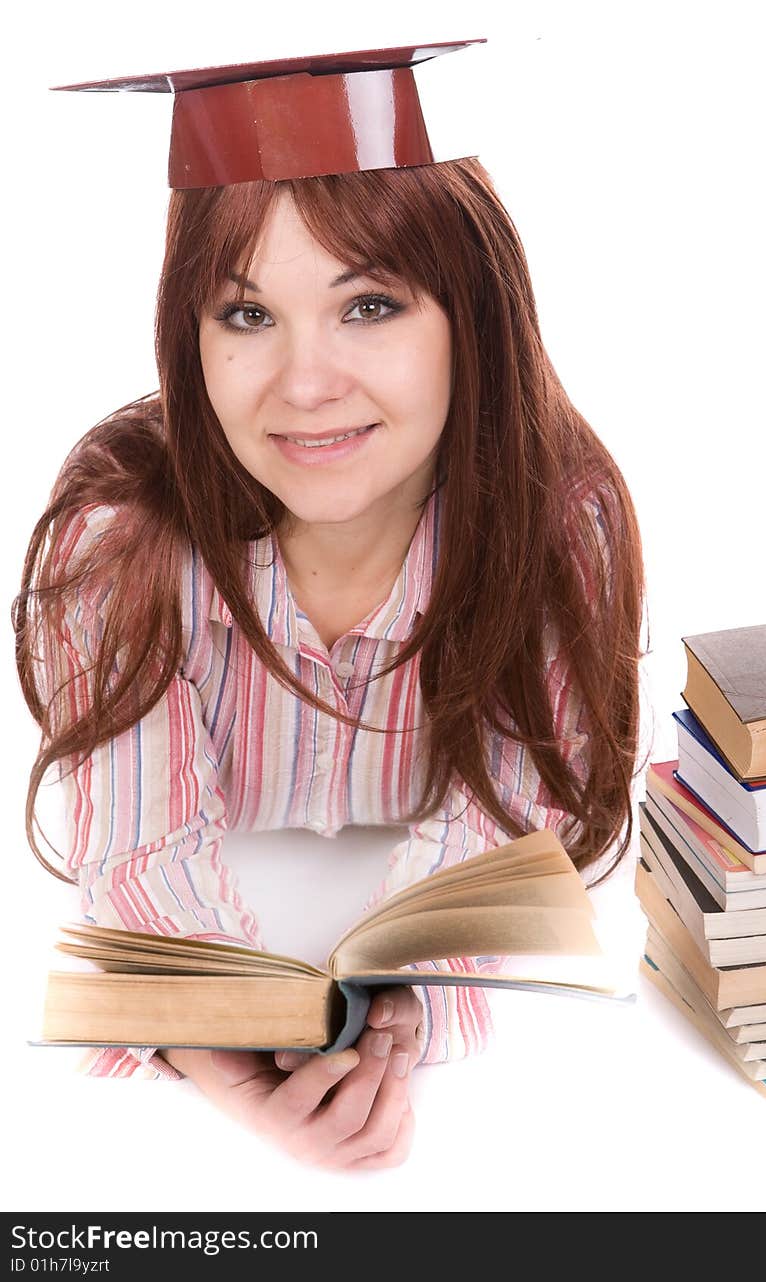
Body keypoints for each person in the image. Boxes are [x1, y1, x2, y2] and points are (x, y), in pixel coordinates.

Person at [15, 43, 646, 1171]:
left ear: (472, 318)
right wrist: (233, 1061)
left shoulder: (554, 533)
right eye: (246, 316)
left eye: (367, 304)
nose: (304, 382)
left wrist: (398, 1011)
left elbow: (503, 839)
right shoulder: (123, 544)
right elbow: (136, 858)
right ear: (188, 336)